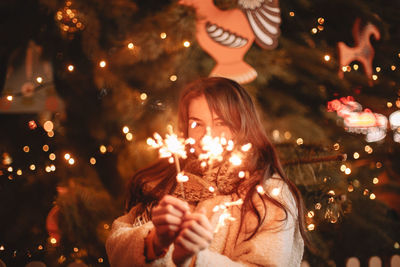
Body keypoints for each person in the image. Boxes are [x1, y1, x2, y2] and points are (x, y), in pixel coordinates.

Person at [106, 77, 307, 266]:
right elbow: (117, 245)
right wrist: (155, 242)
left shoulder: (267, 193)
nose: (206, 136)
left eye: (221, 123)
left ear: (242, 126)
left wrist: (194, 259)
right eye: (197, 124)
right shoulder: (165, 182)